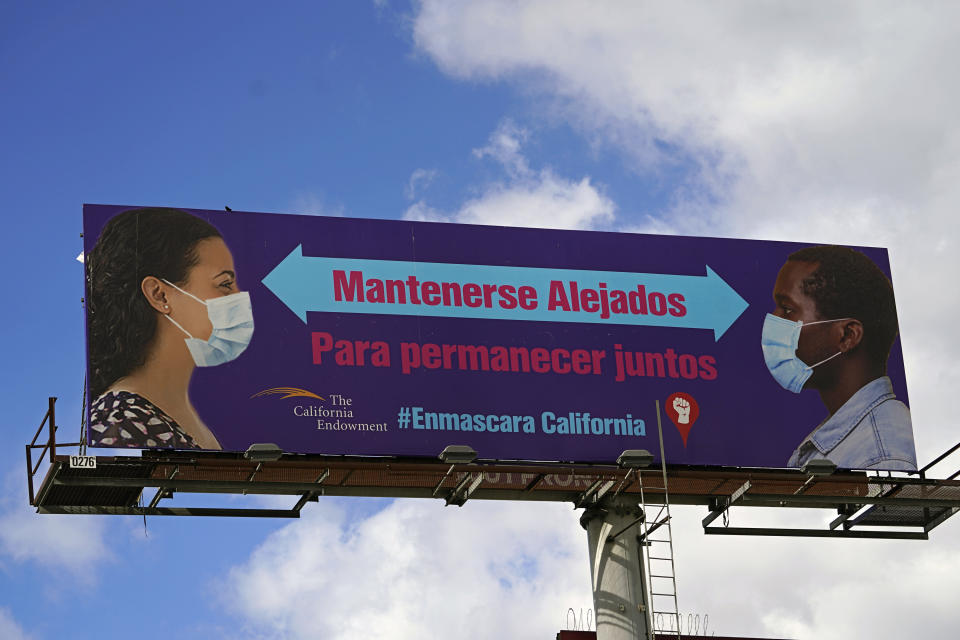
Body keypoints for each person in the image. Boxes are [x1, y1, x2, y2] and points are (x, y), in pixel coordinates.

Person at [86, 207, 254, 450]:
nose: (238, 297)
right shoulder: (121, 422)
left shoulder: (178, 412)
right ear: (159, 294)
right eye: (225, 284)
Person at [761, 245, 917, 470]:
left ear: (847, 336)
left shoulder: (882, 457)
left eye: (787, 309)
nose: (773, 320)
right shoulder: (842, 440)